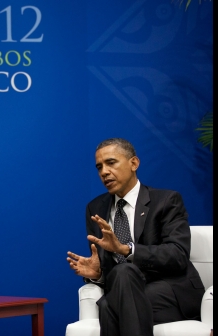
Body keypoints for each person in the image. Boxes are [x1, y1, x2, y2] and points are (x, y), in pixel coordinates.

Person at [66, 138, 205, 336]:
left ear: (134, 163)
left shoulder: (166, 201)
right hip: (125, 289)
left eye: (111, 163)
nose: (104, 172)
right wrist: (97, 274)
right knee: (121, 280)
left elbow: (178, 255)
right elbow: (108, 270)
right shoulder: (95, 208)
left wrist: (127, 249)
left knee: (109, 303)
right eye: (99, 167)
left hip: (170, 292)